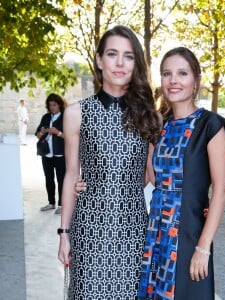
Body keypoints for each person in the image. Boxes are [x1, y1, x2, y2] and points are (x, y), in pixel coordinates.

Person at [57, 25, 161, 299]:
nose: (119, 62)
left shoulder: (150, 116)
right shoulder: (76, 113)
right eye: (112, 54)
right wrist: (64, 233)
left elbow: (151, 176)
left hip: (133, 231)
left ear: (136, 64)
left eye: (128, 56)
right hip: (89, 229)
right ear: (99, 60)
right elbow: (70, 174)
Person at [138, 47, 225, 299]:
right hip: (157, 229)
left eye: (182, 73)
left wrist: (203, 248)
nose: (173, 80)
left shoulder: (210, 125)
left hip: (188, 234)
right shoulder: (161, 126)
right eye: (166, 73)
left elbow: (221, 191)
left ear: (196, 80)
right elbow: (156, 180)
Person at [35, 93, 67, 214]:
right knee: (48, 178)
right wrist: (42, 132)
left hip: (60, 154)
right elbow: (38, 135)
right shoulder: (46, 117)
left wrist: (57, 132)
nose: (52, 107)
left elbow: (71, 137)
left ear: (60, 104)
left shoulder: (66, 117)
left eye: (54, 104)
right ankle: (51, 203)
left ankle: (62, 205)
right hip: (46, 154)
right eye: (50, 105)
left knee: (61, 180)